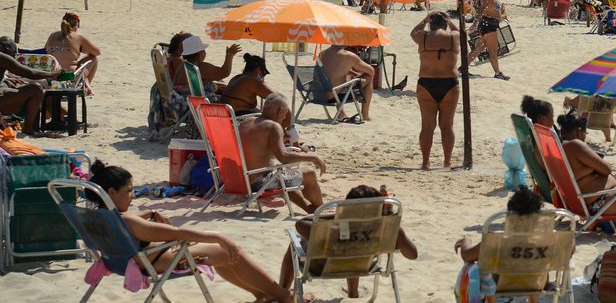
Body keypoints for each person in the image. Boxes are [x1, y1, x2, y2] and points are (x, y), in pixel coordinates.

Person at [86, 161, 291, 302]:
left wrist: (150, 211)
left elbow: (133, 221)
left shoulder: (97, 217)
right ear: (111, 192)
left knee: (221, 254)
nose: (132, 196)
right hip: (158, 261)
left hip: (126, 262)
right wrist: (220, 237)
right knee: (230, 251)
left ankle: (262, 295)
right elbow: (178, 233)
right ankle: (283, 297)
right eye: (128, 191)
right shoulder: (128, 221)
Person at [280, 183, 417, 296]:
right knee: (356, 248)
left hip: (322, 268)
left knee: (295, 243)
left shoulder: (333, 229)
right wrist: (395, 227)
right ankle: (353, 293)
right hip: (364, 266)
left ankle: (282, 291)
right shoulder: (387, 229)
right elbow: (412, 255)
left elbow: (300, 223)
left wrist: (335, 216)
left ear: (346, 208)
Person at [455, 185, 550, 303]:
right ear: (538, 218)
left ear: (510, 216)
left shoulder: (496, 242)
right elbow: (569, 249)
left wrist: (465, 241)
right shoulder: (548, 241)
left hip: (501, 286)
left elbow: (466, 255)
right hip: (537, 284)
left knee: (474, 266)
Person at [238, 94, 326, 213]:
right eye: (285, 113)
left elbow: (257, 149)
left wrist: (279, 140)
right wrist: (312, 157)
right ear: (280, 111)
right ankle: (322, 210)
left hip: (239, 179)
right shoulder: (273, 126)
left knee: (285, 175)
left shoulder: (247, 122)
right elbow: (284, 157)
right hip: (259, 183)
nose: (284, 117)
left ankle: (309, 208)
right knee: (308, 173)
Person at [412, 12, 460, 170]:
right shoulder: (453, 37)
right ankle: (447, 161)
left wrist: (425, 20)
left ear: (430, 24)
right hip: (449, 84)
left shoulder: (423, 37)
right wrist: (450, 21)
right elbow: (461, 33)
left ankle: (426, 162)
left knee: (427, 126)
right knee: (447, 126)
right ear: (445, 24)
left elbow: (413, 32)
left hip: (426, 82)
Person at [555, 113, 616, 213]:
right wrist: (593, 166)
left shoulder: (561, 147)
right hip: (600, 203)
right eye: (585, 133)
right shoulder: (575, 145)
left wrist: (590, 167)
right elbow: (607, 169)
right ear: (579, 130)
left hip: (586, 198)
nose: (585, 137)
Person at [0, 37, 58, 135]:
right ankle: (29, 129)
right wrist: (51, 75)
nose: (14, 55)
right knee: (36, 89)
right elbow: (30, 73)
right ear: (5, 48)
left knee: (21, 87)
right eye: (14, 52)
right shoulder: (2, 57)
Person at [318, 44, 377, 122]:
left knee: (335, 81)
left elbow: (331, 71)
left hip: (319, 95)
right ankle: (365, 115)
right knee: (369, 77)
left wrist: (350, 72)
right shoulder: (348, 56)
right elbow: (371, 71)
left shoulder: (322, 54)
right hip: (334, 97)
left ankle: (341, 113)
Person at [167, 33, 240, 95]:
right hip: (194, 104)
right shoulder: (199, 66)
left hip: (183, 102)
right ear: (200, 53)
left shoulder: (183, 65)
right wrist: (229, 55)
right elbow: (224, 72)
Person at [43, 11, 101, 85]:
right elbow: (97, 52)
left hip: (50, 75)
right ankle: (85, 87)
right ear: (77, 24)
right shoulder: (78, 37)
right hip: (69, 78)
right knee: (93, 58)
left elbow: (44, 51)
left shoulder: (52, 35)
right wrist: (81, 49)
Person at [469, 0, 510, 80]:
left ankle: (462, 68)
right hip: (489, 25)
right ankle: (497, 73)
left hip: (489, 24)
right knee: (493, 50)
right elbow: (481, 12)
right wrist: (474, 24)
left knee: (478, 49)